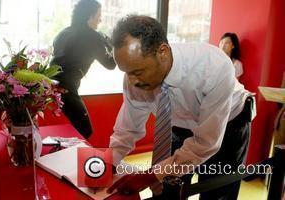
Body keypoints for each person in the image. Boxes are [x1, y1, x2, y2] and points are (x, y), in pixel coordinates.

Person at [106, 15, 255, 200]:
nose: (132, 81)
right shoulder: (134, 78)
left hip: (229, 125)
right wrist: (109, 163)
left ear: (162, 52)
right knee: (167, 189)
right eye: (127, 73)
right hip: (179, 125)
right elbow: (128, 128)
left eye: (137, 72)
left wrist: (150, 175)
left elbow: (206, 143)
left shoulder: (214, 66)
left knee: (215, 191)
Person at [50, 0, 116, 139]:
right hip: (67, 88)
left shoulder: (64, 33)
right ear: (90, 15)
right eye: (99, 14)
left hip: (52, 86)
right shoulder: (92, 36)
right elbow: (111, 64)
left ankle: (68, 156)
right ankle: (72, 158)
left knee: (77, 128)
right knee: (85, 129)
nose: (100, 19)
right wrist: (112, 45)